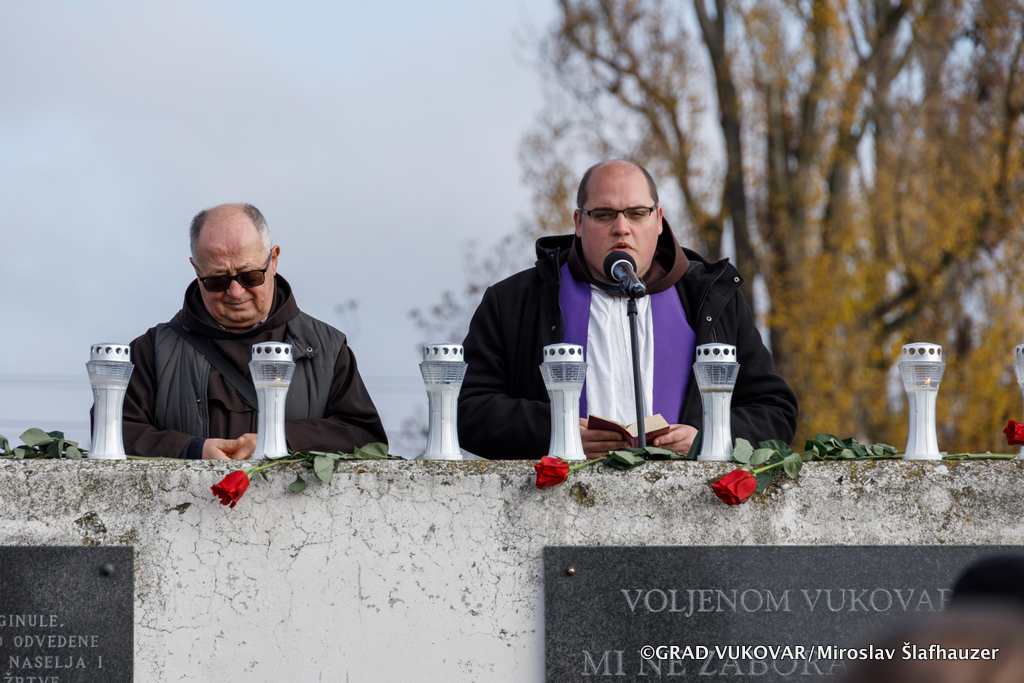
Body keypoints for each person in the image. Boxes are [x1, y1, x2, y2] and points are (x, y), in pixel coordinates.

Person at [458, 160, 797, 459]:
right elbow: (466, 407)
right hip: (559, 505)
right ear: (578, 223)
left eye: (637, 213)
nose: (621, 227)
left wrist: (707, 438)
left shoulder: (710, 299)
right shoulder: (515, 301)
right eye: (604, 215)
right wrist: (557, 432)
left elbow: (774, 411)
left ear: (659, 220)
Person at [119, 203, 386, 459]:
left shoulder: (328, 349)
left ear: (274, 260)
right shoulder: (150, 352)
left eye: (249, 276)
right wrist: (190, 450)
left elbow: (365, 438)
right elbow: (114, 434)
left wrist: (280, 441)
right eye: (217, 280)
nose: (236, 292)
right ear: (196, 270)